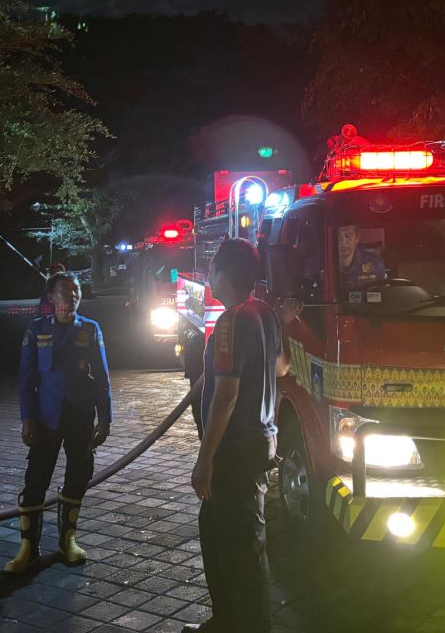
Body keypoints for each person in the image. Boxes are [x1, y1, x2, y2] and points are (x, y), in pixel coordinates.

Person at [185, 238, 296, 633]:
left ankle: (246, 624)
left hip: (234, 450)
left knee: (241, 548)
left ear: (224, 272)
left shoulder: (232, 320)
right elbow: (281, 368)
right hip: (259, 444)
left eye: (212, 267)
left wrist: (204, 460)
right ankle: (227, 619)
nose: (208, 275)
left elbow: (227, 396)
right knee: (219, 535)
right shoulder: (264, 314)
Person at [5, 272, 113, 574]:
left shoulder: (90, 330)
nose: (71, 297)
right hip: (45, 417)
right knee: (36, 479)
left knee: (78, 476)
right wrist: (27, 418)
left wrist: (105, 419)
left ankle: (68, 541)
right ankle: (28, 549)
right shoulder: (36, 329)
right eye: (64, 292)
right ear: (51, 298)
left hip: (80, 416)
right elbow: (26, 378)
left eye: (75, 291)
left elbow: (102, 377)